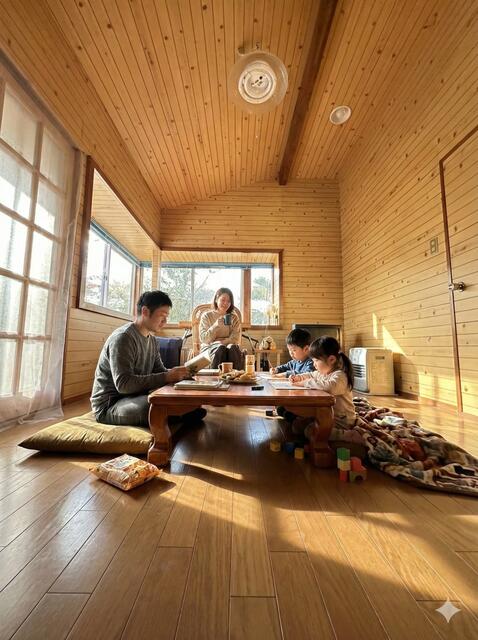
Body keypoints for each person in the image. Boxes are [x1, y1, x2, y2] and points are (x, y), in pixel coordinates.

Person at [91, 290, 206, 428]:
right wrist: (167, 376)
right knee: (153, 406)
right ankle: (180, 414)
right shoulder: (123, 338)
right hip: (111, 405)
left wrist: (180, 375)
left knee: (172, 397)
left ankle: (179, 414)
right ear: (145, 311)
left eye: (167, 316)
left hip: (136, 396)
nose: (165, 321)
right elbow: (124, 385)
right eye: (162, 315)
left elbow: (160, 371)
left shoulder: (152, 340)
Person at [290, 336, 355, 439]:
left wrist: (305, 383)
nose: (314, 364)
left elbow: (330, 387)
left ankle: (350, 436)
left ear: (331, 359)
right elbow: (310, 375)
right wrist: (298, 377)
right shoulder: (322, 372)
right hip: (326, 414)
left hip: (342, 419)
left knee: (311, 431)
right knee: (297, 425)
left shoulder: (340, 376)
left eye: (316, 360)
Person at [268, 328, 315, 421]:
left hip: (306, 398)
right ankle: (292, 414)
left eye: (294, 350)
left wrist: (285, 374)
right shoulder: (296, 361)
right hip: (295, 394)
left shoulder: (311, 362)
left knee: (285, 410)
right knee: (280, 407)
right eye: (289, 350)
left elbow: (306, 374)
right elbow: (285, 366)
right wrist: (276, 370)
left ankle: (299, 416)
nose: (291, 353)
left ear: (306, 349)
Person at [199, 287, 244, 369]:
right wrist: (215, 326)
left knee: (233, 348)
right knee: (221, 349)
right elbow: (204, 339)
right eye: (223, 300)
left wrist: (221, 342)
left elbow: (236, 339)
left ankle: (236, 375)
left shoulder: (234, 318)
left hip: (229, 347)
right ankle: (216, 376)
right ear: (216, 299)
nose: (226, 303)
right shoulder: (207, 316)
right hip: (210, 348)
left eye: (229, 301)